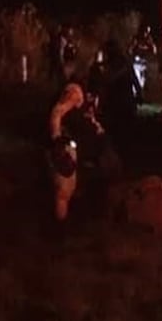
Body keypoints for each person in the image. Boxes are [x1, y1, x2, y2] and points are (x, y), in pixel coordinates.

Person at [47, 80, 105, 223]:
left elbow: (92, 122)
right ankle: (60, 228)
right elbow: (57, 113)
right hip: (68, 147)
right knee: (63, 190)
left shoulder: (86, 104)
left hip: (85, 149)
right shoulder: (75, 93)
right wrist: (57, 140)